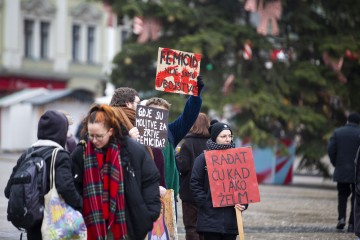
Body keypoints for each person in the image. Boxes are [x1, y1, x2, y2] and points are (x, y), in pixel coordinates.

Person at [71, 104, 161, 239]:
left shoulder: (132, 150)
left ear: (111, 131)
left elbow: (149, 180)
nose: (94, 140)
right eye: (91, 135)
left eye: (99, 136)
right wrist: (79, 209)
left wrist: (148, 215)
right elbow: (73, 186)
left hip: (127, 225)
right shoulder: (81, 152)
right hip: (91, 224)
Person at [5, 110, 83, 240]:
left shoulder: (27, 153)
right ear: (61, 131)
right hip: (54, 223)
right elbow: (66, 187)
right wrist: (81, 205)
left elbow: (8, 191)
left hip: (32, 222)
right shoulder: (60, 155)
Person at [190, 120, 248, 240]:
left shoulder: (237, 159)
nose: (227, 139)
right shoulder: (203, 159)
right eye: (223, 136)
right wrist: (206, 203)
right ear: (215, 138)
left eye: (229, 136)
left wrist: (243, 203)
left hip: (231, 218)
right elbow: (195, 183)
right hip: (210, 219)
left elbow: (244, 183)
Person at [175, 113, 210, 240]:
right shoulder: (212, 143)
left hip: (190, 193)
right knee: (207, 227)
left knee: (191, 227)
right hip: (209, 193)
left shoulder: (187, 143)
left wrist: (176, 156)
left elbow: (183, 166)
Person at [328, 112, 360, 232]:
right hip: (357, 172)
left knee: (342, 195)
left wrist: (336, 163)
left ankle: (341, 218)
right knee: (355, 197)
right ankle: (352, 223)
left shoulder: (338, 132)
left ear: (347, 120)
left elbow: (331, 149)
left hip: (341, 170)